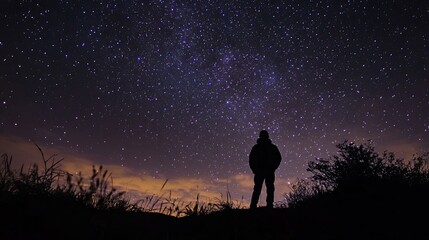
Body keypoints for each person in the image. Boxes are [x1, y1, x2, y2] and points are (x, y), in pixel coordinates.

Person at [249, 130, 282, 209]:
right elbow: (251, 159)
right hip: (263, 171)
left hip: (266, 171)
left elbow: (278, 158)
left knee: (265, 188)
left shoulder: (258, 147)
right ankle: (261, 205)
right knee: (261, 188)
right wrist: (254, 169)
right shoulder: (270, 147)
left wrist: (273, 167)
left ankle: (262, 205)